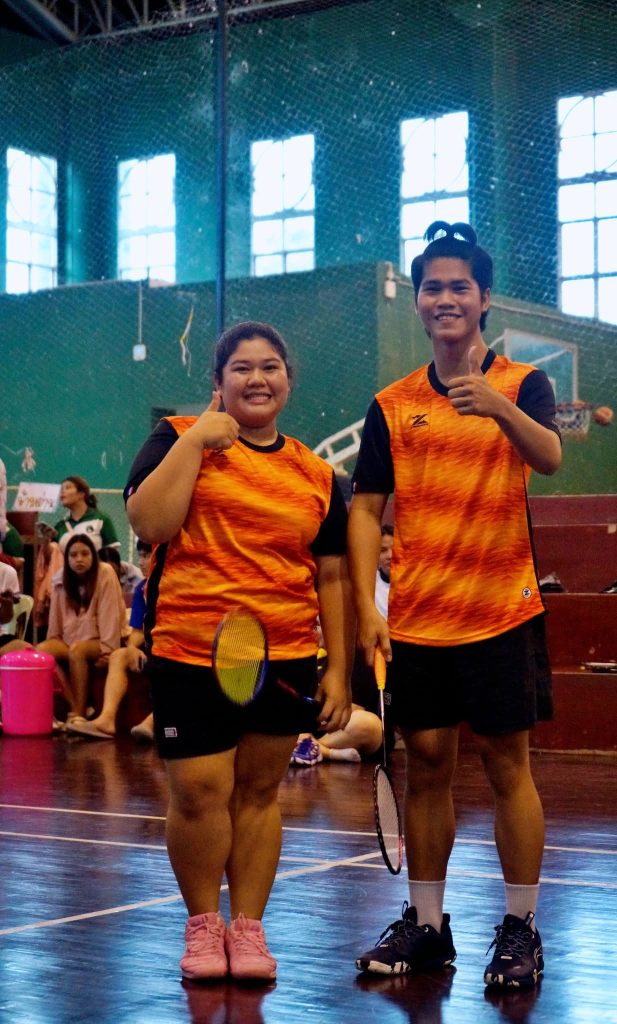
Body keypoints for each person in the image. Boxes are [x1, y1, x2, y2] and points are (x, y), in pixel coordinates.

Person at [349, 222, 561, 990]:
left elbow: (549, 457)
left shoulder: (522, 384)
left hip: (500, 613)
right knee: (428, 767)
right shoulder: (391, 404)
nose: (445, 298)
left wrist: (497, 407)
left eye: (458, 287)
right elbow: (365, 509)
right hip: (419, 619)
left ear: (483, 299)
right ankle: (429, 926)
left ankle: (520, 928)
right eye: (432, 287)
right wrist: (366, 607)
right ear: (417, 300)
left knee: (508, 767)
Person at [125, 320, 354, 983]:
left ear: (288, 380)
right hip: (190, 649)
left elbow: (331, 577)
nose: (257, 378)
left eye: (270, 367)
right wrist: (198, 439)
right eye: (242, 368)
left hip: (282, 655)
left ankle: (248, 929)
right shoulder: (174, 436)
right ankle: (203, 926)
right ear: (218, 381)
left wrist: (338, 668)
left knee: (257, 794)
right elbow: (150, 523)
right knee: (199, 792)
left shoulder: (316, 473)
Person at [67, 540, 155, 741]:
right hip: (149, 651)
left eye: (147, 555)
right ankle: (106, 719)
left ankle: (153, 721)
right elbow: (138, 630)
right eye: (140, 556)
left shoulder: (175, 587)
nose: (142, 562)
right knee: (118, 656)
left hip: (173, 651)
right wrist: (131, 648)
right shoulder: (142, 589)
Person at [37, 533, 126, 724]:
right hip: (71, 642)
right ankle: (75, 706)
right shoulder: (60, 579)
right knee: (42, 651)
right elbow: (54, 630)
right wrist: (54, 642)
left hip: (102, 642)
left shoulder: (105, 573)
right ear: (67, 558)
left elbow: (110, 620)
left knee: (77, 650)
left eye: (85, 554)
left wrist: (109, 651)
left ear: (93, 555)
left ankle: (79, 714)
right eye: (73, 555)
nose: (79, 559)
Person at [54, 475, 120, 554]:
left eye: (67, 488)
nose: (62, 492)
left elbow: (112, 551)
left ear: (81, 494)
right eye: (61, 489)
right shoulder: (60, 526)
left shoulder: (101, 519)